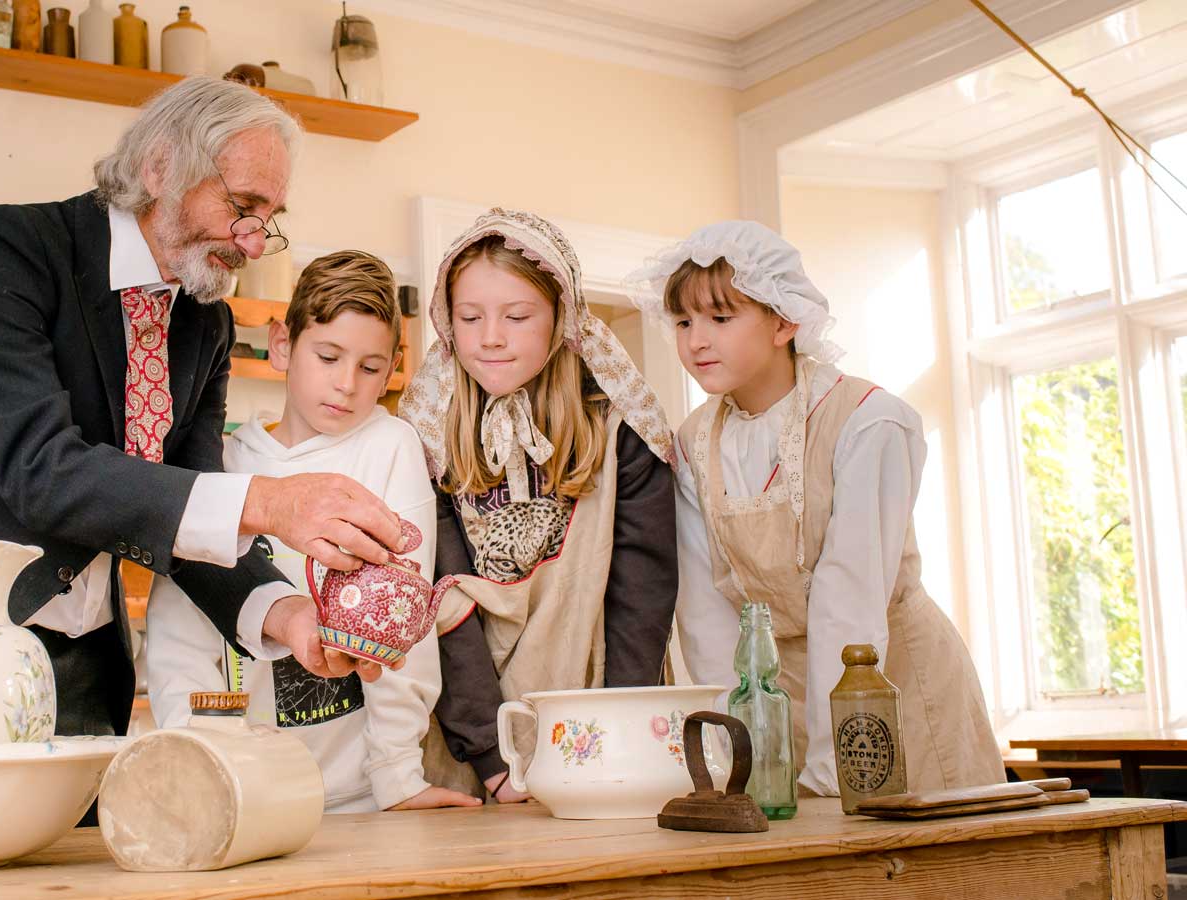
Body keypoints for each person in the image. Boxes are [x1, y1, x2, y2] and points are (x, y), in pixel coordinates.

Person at [0, 77, 410, 821]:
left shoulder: (206, 325)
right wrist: (272, 503)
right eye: (242, 207)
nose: (256, 241)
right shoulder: (9, 251)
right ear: (159, 167)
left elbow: (188, 516)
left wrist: (291, 617)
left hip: (75, 688)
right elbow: (42, 470)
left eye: (271, 219)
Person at [627, 220, 1001, 797]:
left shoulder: (868, 421)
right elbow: (705, 614)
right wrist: (742, 746)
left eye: (720, 319)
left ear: (785, 320)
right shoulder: (693, 443)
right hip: (777, 698)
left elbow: (848, 599)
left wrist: (831, 768)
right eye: (683, 322)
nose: (696, 341)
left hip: (890, 676)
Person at [147, 251, 479, 812]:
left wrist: (397, 775)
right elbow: (179, 633)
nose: (347, 385)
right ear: (282, 344)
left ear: (394, 367)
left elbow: (403, 621)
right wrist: (199, 757)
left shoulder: (390, 446)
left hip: (361, 794)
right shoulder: (221, 464)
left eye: (371, 368)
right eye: (328, 356)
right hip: (242, 789)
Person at [397, 208, 680, 802]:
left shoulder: (623, 429)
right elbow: (440, 599)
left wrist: (619, 730)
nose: (489, 337)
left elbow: (642, 593)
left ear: (562, 319)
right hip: (467, 727)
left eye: (517, 316)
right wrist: (491, 754)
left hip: (598, 710)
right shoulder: (425, 437)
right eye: (469, 317)